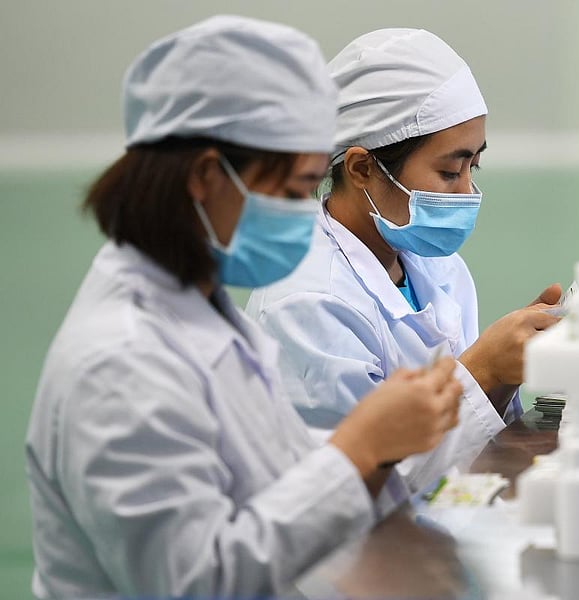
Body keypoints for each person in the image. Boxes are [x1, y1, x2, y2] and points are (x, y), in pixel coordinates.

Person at [25, 16, 463, 599]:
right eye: (287, 193)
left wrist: (378, 447)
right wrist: (359, 448)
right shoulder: (120, 363)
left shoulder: (199, 310)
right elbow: (196, 583)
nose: (300, 216)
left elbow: (267, 484)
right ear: (207, 176)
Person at [246, 28, 561, 492]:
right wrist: (482, 370)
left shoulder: (434, 265)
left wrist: (508, 370)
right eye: (450, 171)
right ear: (362, 169)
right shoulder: (306, 305)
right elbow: (356, 487)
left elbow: (464, 444)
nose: (468, 192)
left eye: (473, 167)